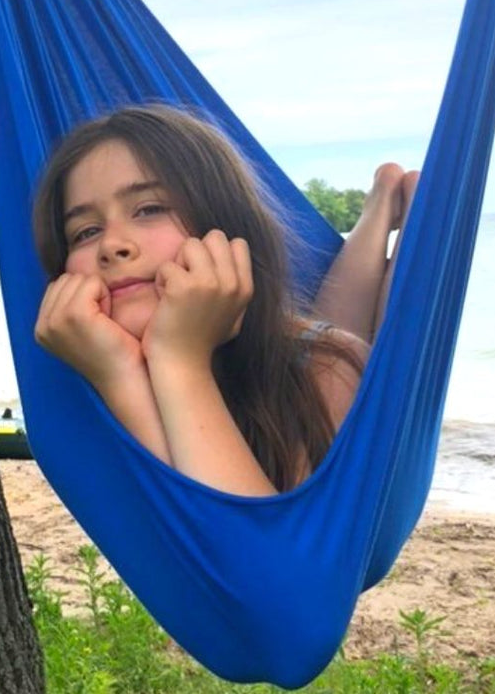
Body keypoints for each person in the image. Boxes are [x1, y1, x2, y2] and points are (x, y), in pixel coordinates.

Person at [32, 105, 417, 496]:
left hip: (307, 354)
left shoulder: (328, 372)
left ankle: (398, 215)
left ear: (225, 224)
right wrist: (120, 372)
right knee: (339, 327)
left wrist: (178, 358)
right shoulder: (78, 376)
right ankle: (382, 203)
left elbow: (259, 553)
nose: (112, 245)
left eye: (149, 209)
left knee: (373, 341)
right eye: (85, 231)